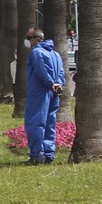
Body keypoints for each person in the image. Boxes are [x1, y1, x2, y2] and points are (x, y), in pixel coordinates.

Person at [23, 27, 66, 165]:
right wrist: (57, 84)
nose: (27, 41)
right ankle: (49, 154)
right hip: (54, 92)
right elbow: (61, 73)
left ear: (37, 39)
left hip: (39, 92)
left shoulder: (36, 52)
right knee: (50, 123)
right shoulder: (55, 54)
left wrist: (49, 83)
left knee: (35, 122)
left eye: (29, 38)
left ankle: (36, 154)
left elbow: (41, 71)